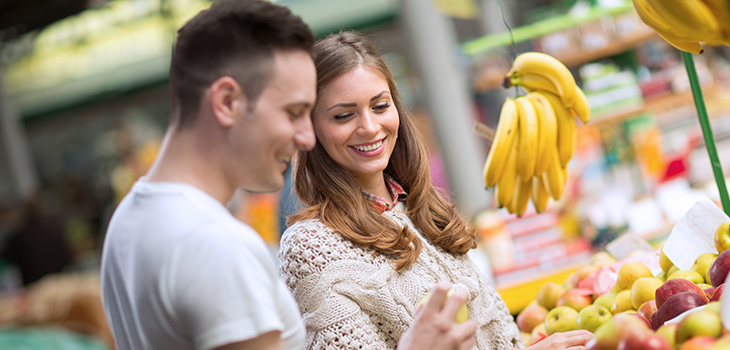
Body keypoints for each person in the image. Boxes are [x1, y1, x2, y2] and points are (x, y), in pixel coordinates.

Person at [100, 2, 473, 350]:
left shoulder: (129, 220)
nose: (306, 137)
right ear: (227, 102)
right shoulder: (215, 245)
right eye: (293, 112)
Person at [278, 31, 593, 350]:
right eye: (344, 115)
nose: (370, 126)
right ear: (310, 128)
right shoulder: (311, 247)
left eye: (380, 106)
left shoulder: (421, 210)